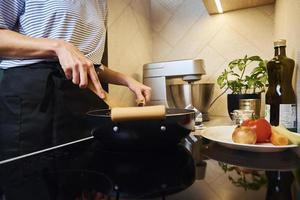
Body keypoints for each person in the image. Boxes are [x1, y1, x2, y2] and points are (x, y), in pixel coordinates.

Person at [0, 0, 151, 157]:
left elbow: (88, 64)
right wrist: (57, 47)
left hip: (83, 99)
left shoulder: (101, 3)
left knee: (83, 169)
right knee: (31, 172)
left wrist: (127, 80)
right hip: (34, 96)